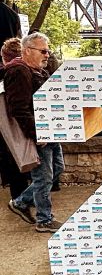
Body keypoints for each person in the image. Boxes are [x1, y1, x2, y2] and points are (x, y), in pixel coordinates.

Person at [4, 32, 64, 232]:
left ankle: (21, 202)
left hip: (49, 131)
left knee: (57, 169)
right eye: (43, 51)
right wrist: (38, 135)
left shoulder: (37, 70)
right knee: (44, 177)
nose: (47, 55)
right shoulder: (18, 71)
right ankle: (44, 220)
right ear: (27, 51)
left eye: (48, 51)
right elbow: (19, 109)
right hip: (39, 134)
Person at [0, 38, 30, 200]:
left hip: (9, 128)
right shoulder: (21, 71)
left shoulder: (10, 72)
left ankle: (20, 198)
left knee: (14, 166)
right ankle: (21, 200)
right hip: (21, 127)